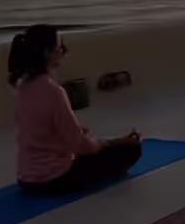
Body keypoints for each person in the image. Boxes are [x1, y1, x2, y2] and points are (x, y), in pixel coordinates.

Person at [9, 25, 143, 194]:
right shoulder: (54, 91)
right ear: (48, 53)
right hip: (54, 179)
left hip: (26, 179)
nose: (64, 51)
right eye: (60, 47)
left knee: (94, 144)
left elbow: (42, 131)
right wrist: (118, 141)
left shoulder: (22, 87)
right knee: (131, 149)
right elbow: (80, 146)